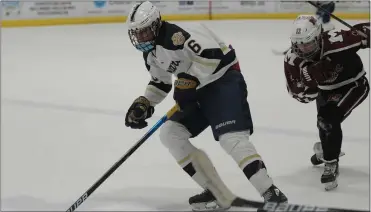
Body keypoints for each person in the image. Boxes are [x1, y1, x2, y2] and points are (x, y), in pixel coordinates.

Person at [124, 1, 287, 211]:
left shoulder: (178, 36)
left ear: (155, 25)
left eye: (144, 32)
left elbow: (214, 57)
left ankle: (272, 194)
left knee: (231, 139)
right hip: (197, 91)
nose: (140, 38)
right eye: (137, 34)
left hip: (223, 81)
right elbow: (160, 82)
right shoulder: (150, 54)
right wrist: (145, 103)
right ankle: (216, 192)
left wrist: (187, 79)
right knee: (170, 134)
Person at [284, 14, 369, 191]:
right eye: (298, 44)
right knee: (324, 123)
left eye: (308, 43)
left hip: (353, 85)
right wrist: (310, 80)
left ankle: (331, 162)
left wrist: (366, 34)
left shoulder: (337, 42)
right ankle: (327, 149)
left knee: (328, 119)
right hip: (325, 92)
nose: (303, 49)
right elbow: (299, 95)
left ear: (319, 37)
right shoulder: (293, 60)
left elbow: (364, 33)